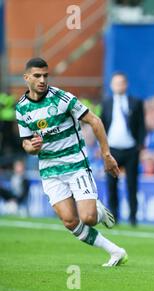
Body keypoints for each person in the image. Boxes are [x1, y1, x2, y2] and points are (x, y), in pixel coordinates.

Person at [15, 57, 127, 267]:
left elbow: (95, 121)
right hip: (49, 170)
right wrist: (32, 147)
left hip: (76, 165)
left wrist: (106, 155)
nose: (42, 80)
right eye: (37, 76)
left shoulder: (61, 98)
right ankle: (115, 251)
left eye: (45, 76)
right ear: (26, 77)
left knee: (89, 218)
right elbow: (26, 143)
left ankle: (99, 211)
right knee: (70, 221)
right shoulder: (21, 108)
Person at [101, 72, 146, 226]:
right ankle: (114, 216)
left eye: (121, 83)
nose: (119, 86)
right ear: (111, 85)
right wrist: (103, 148)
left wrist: (140, 145)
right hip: (112, 150)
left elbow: (141, 125)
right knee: (111, 184)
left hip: (131, 149)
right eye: (116, 83)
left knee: (132, 184)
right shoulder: (106, 103)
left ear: (126, 85)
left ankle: (133, 217)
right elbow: (102, 125)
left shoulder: (136, 102)